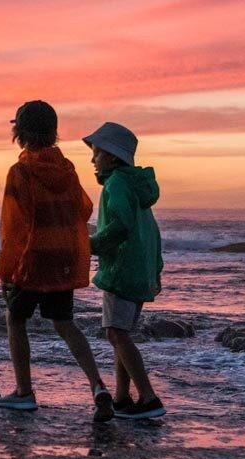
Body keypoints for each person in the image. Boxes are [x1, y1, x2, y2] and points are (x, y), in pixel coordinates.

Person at [0, 101, 116, 423]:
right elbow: (82, 209)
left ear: (20, 133)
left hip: (32, 258)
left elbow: (15, 226)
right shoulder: (67, 169)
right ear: (54, 133)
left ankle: (24, 392)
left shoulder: (21, 171)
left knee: (15, 319)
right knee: (64, 323)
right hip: (62, 258)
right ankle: (97, 385)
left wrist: (7, 270)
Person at [82, 122, 166, 419]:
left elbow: (120, 226)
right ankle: (121, 397)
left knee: (115, 332)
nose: (93, 159)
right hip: (140, 270)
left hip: (121, 269)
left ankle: (148, 397)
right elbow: (151, 232)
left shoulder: (116, 183)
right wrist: (154, 269)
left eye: (97, 152)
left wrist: (90, 245)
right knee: (120, 333)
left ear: (112, 156)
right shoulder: (134, 184)